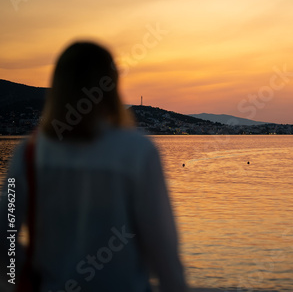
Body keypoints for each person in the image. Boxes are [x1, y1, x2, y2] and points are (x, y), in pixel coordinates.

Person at [0, 41, 187, 292]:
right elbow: (163, 250)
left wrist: (25, 274)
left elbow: (4, 235)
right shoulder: (137, 151)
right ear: (111, 87)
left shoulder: (29, 153)